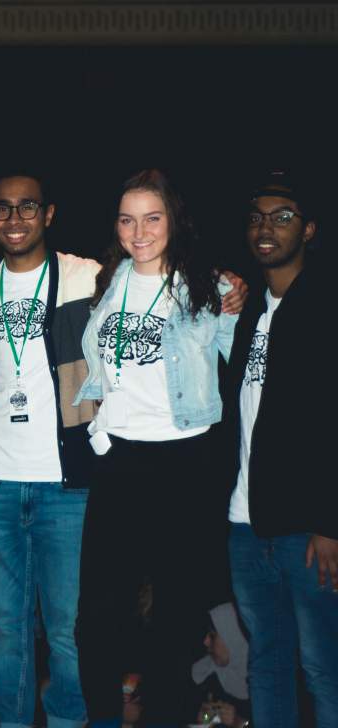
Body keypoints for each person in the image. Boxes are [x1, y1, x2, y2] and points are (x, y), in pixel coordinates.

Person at [73, 169, 238, 726]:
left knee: (175, 617)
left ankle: (167, 718)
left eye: (152, 217)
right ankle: (103, 719)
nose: (138, 230)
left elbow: (247, 366)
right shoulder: (107, 281)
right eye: (127, 218)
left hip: (183, 464)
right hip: (119, 460)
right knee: (97, 616)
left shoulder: (211, 288)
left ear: (174, 220)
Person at [0, 175, 100, 728]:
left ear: (49, 213)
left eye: (27, 207)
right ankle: (11, 720)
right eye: (2, 209)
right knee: (10, 626)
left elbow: (154, 283)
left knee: (66, 627)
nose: (15, 219)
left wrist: (225, 286)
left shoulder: (85, 275)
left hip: (66, 483)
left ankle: (68, 721)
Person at [222, 171, 337, 728]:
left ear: (309, 229)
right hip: (245, 525)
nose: (267, 227)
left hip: (308, 529)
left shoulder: (324, 309)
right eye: (257, 217)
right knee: (265, 665)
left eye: (283, 216)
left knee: (324, 667)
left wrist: (330, 521)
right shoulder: (246, 314)